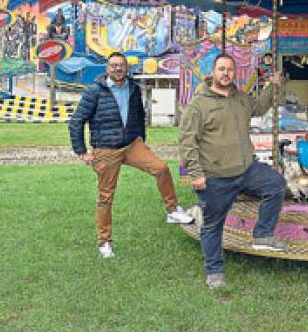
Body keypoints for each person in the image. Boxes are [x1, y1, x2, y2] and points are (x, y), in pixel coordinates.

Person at [69, 52, 194, 260]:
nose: (118, 69)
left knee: (161, 168)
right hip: (106, 149)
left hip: (131, 144)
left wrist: (141, 139)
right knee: (105, 197)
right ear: (107, 68)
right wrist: (81, 151)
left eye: (121, 65)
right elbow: (76, 121)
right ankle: (104, 242)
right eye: (113, 65)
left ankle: (172, 210)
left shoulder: (134, 88)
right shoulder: (95, 92)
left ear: (126, 68)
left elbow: (139, 115)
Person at [180, 53, 288, 289]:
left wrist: (273, 86)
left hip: (246, 169)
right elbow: (187, 142)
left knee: (276, 184)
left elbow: (259, 107)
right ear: (213, 72)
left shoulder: (241, 98)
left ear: (234, 72)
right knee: (212, 225)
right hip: (216, 176)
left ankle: (263, 234)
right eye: (221, 69)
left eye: (229, 69)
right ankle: (214, 272)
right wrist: (196, 173)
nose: (225, 73)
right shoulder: (199, 105)